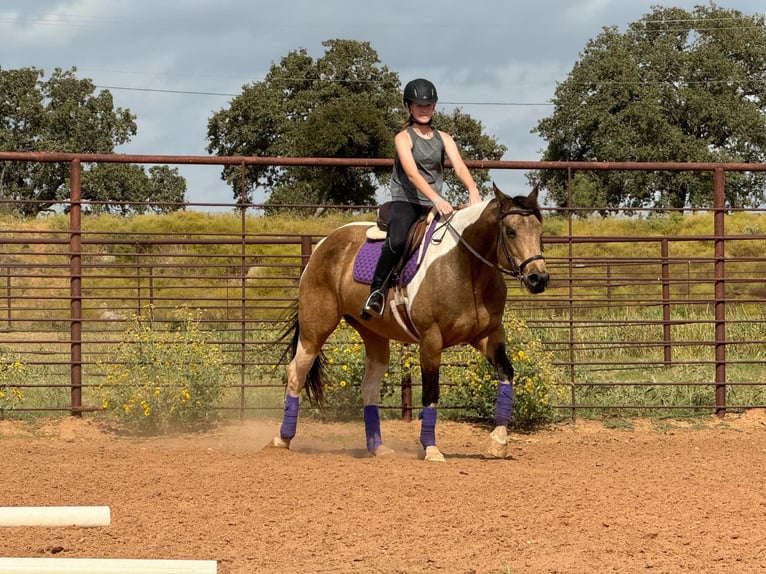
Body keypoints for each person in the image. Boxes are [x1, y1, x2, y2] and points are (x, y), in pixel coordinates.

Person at [361, 78, 482, 318]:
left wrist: (472, 190)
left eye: (428, 105)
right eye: (418, 105)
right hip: (406, 201)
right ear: (408, 107)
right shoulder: (403, 138)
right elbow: (413, 175)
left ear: (434, 107)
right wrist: (437, 199)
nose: (424, 110)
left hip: (434, 202)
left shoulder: (444, 138)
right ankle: (376, 292)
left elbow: (459, 166)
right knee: (396, 241)